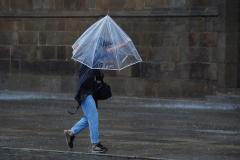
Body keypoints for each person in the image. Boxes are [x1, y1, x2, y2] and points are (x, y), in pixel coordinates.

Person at [64, 64, 107, 153]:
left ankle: (71, 133)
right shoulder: (89, 63)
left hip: (89, 93)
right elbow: (86, 79)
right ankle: (95, 144)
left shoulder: (93, 63)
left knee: (88, 118)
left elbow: (96, 78)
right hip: (85, 93)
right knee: (93, 116)